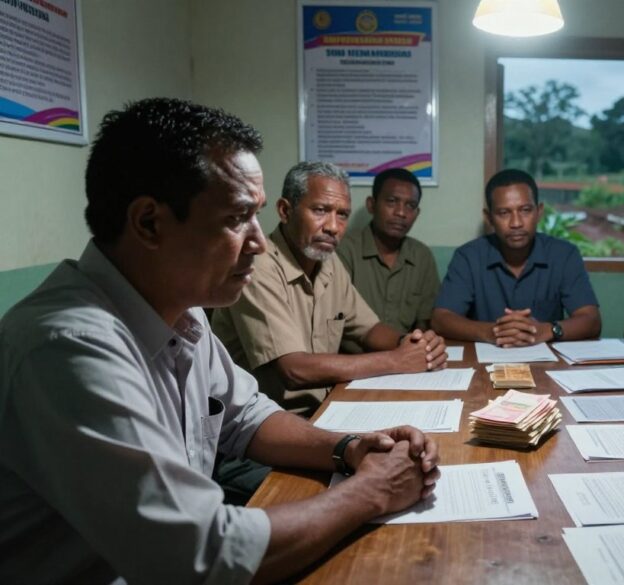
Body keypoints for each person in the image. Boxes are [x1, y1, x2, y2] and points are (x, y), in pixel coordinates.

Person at [0, 98, 440, 584]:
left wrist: (351, 447)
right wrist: (372, 491)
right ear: (149, 223)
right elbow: (198, 553)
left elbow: (246, 416)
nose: (258, 241)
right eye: (237, 218)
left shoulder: (181, 309)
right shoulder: (68, 347)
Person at [212, 162, 446, 415]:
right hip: (261, 425)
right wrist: (397, 360)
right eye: (320, 210)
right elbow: (294, 370)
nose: (333, 227)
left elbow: (369, 330)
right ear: (285, 211)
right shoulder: (257, 265)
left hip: (324, 408)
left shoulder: (328, 261)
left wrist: (412, 342)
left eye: (342, 214)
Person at [432, 168, 601, 346]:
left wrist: (547, 330)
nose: (516, 223)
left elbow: (591, 320)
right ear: (489, 218)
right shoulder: (468, 257)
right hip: (487, 362)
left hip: (547, 363)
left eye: (525, 210)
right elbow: (441, 319)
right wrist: (492, 332)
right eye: (504, 213)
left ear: (539, 211)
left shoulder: (564, 254)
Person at [337, 168, 440, 354]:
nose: (401, 212)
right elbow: (339, 325)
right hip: (354, 363)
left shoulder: (422, 256)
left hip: (405, 362)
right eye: (392, 201)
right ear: (371, 205)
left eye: (410, 205)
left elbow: (424, 323)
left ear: (417, 213)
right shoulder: (344, 250)